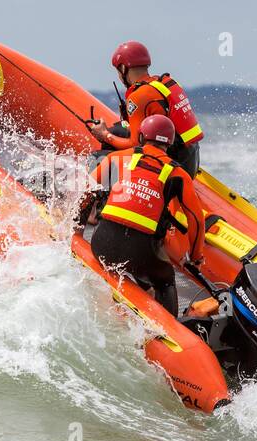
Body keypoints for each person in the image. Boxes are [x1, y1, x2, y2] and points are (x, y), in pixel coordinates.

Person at [85, 114, 207, 316]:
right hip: (142, 256)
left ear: (141, 137)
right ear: (169, 143)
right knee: (166, 280)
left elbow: (85, 189)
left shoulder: (117, 158)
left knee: (135, 253)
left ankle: (139, 292)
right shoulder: (178, 175)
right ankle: (168, 330)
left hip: (102, 245)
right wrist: (195, 258)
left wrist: (77, 228)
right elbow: (196, 220)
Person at [87, 40, 204, 177]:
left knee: (97, 158)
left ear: (124, 69)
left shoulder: (139, 96)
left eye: (118, 71)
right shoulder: (164, 84)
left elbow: (135, 144)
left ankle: (109, 196)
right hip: (190, 160)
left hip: (172, 167)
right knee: (118, 130)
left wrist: (105, 136)